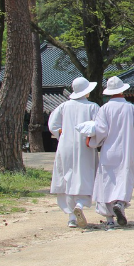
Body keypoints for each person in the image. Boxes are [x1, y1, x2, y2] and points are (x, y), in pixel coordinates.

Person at [87, 76, 134, 229]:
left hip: (108, 150)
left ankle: (109, 220)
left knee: (107, 180)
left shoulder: (104, 109)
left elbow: (101, 130)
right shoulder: (131, 108)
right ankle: (119, 203)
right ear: (123, 90)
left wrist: (92, 141)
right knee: (123, 178)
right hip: (126, 150)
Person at [48, 77, 99, 228]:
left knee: (66, 176)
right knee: (85, 174)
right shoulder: (92, 107)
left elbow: (52, 125)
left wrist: (61, 133)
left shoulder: (63, 106)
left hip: (66, 146)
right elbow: (99, 126)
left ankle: (71, 216)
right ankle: (81, 204)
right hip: (85, 145)